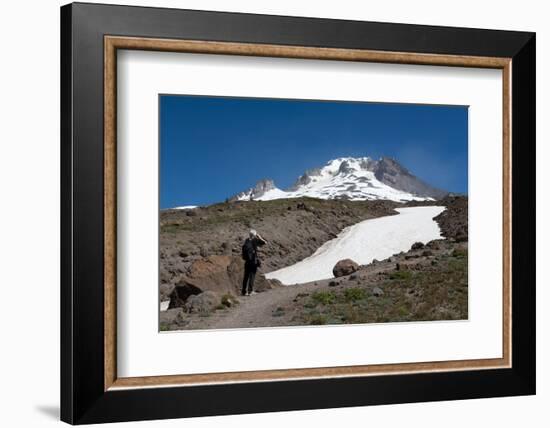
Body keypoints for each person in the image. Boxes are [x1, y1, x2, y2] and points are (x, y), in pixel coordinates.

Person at [241, 229, 267, 296]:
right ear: (254, 235)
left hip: (247, 262)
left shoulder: (246, 241)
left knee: (246, 276)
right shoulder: (255, 241)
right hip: (253, 261)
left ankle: (243, 292)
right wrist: (259, 237)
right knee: (252, 276)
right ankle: (250, 291)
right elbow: (265, 243)